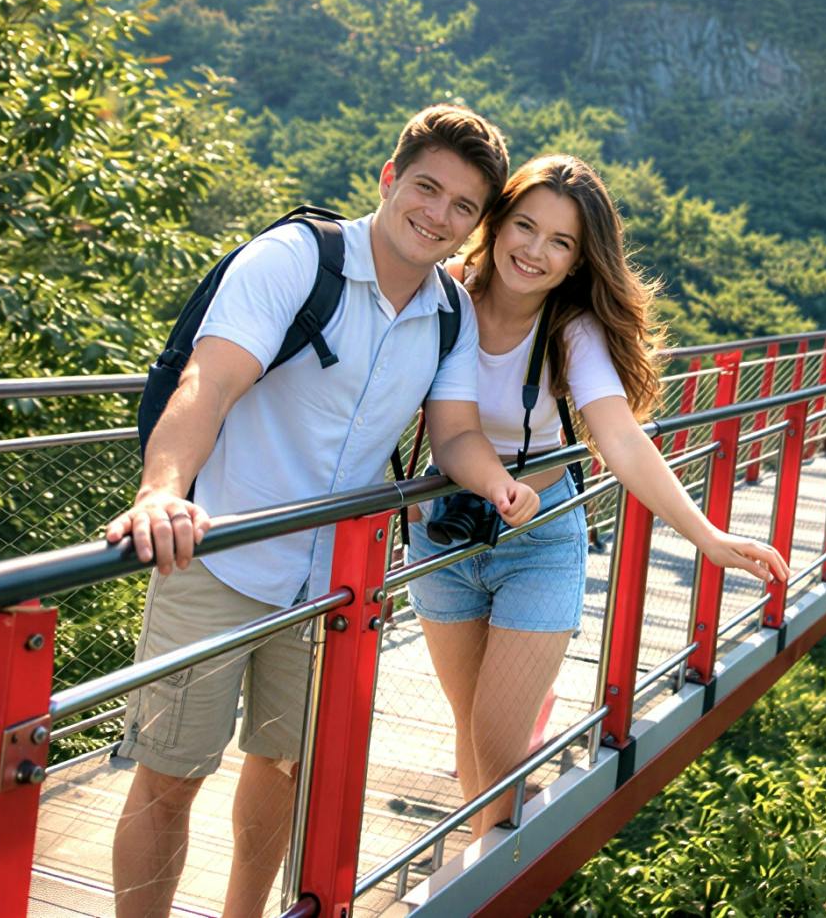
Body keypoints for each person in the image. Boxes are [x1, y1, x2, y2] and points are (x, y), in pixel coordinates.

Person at [103, 105, 538, 918]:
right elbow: (211, 381)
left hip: (329, 582)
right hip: (219, 554)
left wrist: (494, 482)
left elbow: (454, 434)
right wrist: (160, 491)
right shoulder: (296, 261)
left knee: (286, 763)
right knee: (171, 775)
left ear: (475, 224)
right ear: (388, 177)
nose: (437, 216)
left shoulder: (447, 312)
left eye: (462, 207)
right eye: (426, 188)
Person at [407, 154, 790, 837]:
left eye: (561, 242)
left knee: (495, 748)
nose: (536, 251)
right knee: (473, 731)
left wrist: (708, 536)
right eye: (525, 226)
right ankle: (476, 853)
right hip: (446, 533)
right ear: (496, 222)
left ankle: (479, 876)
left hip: (538, 539)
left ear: (581, 261)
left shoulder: (570, 328)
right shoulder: (445, 298)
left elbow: (619, 437)